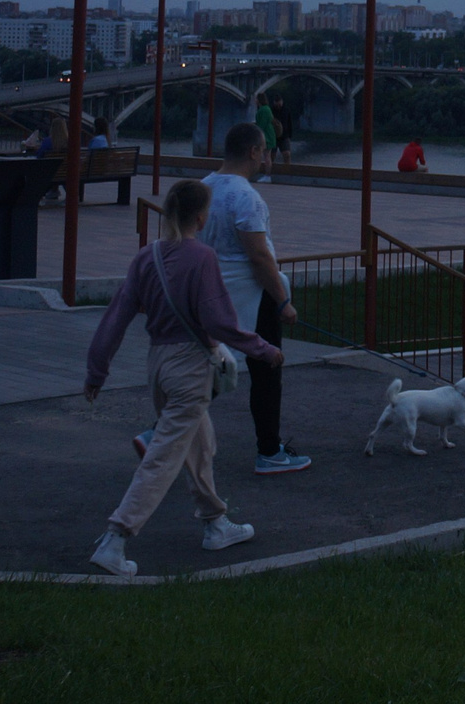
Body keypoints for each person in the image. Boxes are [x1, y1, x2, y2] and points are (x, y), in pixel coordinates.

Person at [83, 178, 282, 574]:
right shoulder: (202, 257)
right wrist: (264, 349)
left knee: (200, 446)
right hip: (191, 367)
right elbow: (220, 322)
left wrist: (96, 370)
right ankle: (116, 538)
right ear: (200, 217)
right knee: (163, 456)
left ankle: (215, 524)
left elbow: (117, 316)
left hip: (157, 365)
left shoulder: (146, 257)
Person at [191, 124, 310, 475]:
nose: (268, 158)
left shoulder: (203, 188)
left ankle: (163, 431)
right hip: (251, 296)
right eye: (266, 151)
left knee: (211, 367)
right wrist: (283, 300)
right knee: (267, 370)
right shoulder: (246, 197)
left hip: (209, 294)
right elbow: (259, 256)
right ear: (254, 152)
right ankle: (269, 451)